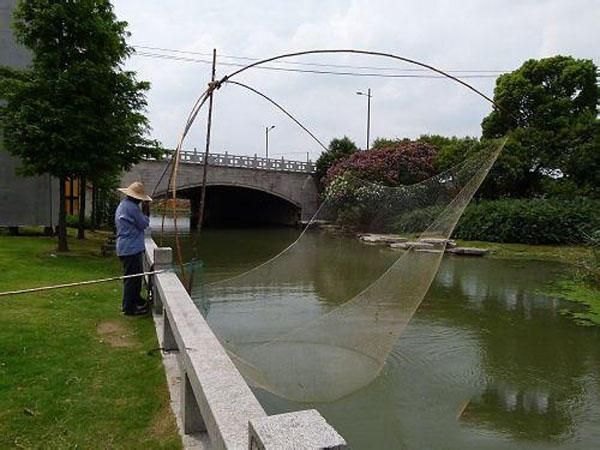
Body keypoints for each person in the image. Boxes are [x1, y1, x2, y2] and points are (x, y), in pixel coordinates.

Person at [115, 181, 152, 316]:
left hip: (126, 246)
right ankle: (129, 308)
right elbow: (143, 224)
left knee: (134, 277)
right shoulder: (132, 208)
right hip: (131, 248)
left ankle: (135, 300)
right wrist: (147, 212)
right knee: (132, 279)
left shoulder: (123, 205)